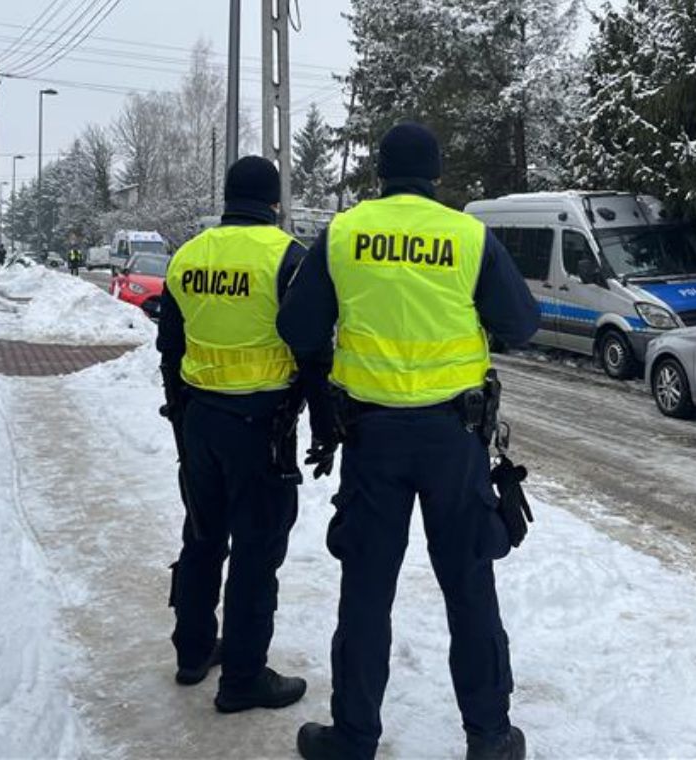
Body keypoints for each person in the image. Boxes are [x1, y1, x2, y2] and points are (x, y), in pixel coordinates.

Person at [278, 122, 539, 760]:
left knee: (366, 589)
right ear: (437, 172)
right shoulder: (467, 235)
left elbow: (297, 326)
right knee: (469, 585)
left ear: (380, 172)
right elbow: (522, 324)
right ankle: (489, 737)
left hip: (371, 438)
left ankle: (353, 736)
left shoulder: (342, 234)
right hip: (455, 440)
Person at [156, 156, 332, 714]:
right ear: (274, 202)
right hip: (263, 428)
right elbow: (311, 352)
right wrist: (326, 426)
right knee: (257, 552)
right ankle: (244, 679)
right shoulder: (288, 258)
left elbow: (170, 350)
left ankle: (192, 652)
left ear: (228, 198)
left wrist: (182, 420)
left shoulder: (188, 255)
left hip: (201, 422)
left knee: (203, 536)